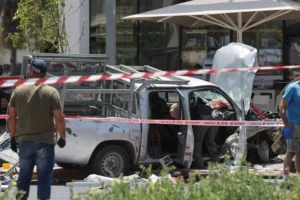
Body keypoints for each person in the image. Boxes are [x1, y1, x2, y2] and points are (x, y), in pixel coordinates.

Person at [8, 59, 66, 200]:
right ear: (44, 74)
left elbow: (11, 117)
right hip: (45, 142)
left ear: (32, 71)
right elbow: (59, 118)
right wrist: (63, 137)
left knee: (23, 179)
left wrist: (12, 138)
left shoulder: (18, 91)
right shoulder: (51, 92)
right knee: (44, 180)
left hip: (25, 141)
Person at [279, 81, 300, 181]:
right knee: (291, 151)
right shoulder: (292, 88)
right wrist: (286, 125)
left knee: (299, 153)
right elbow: (282, 105)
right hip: (293, 124)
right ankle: (285, 178)